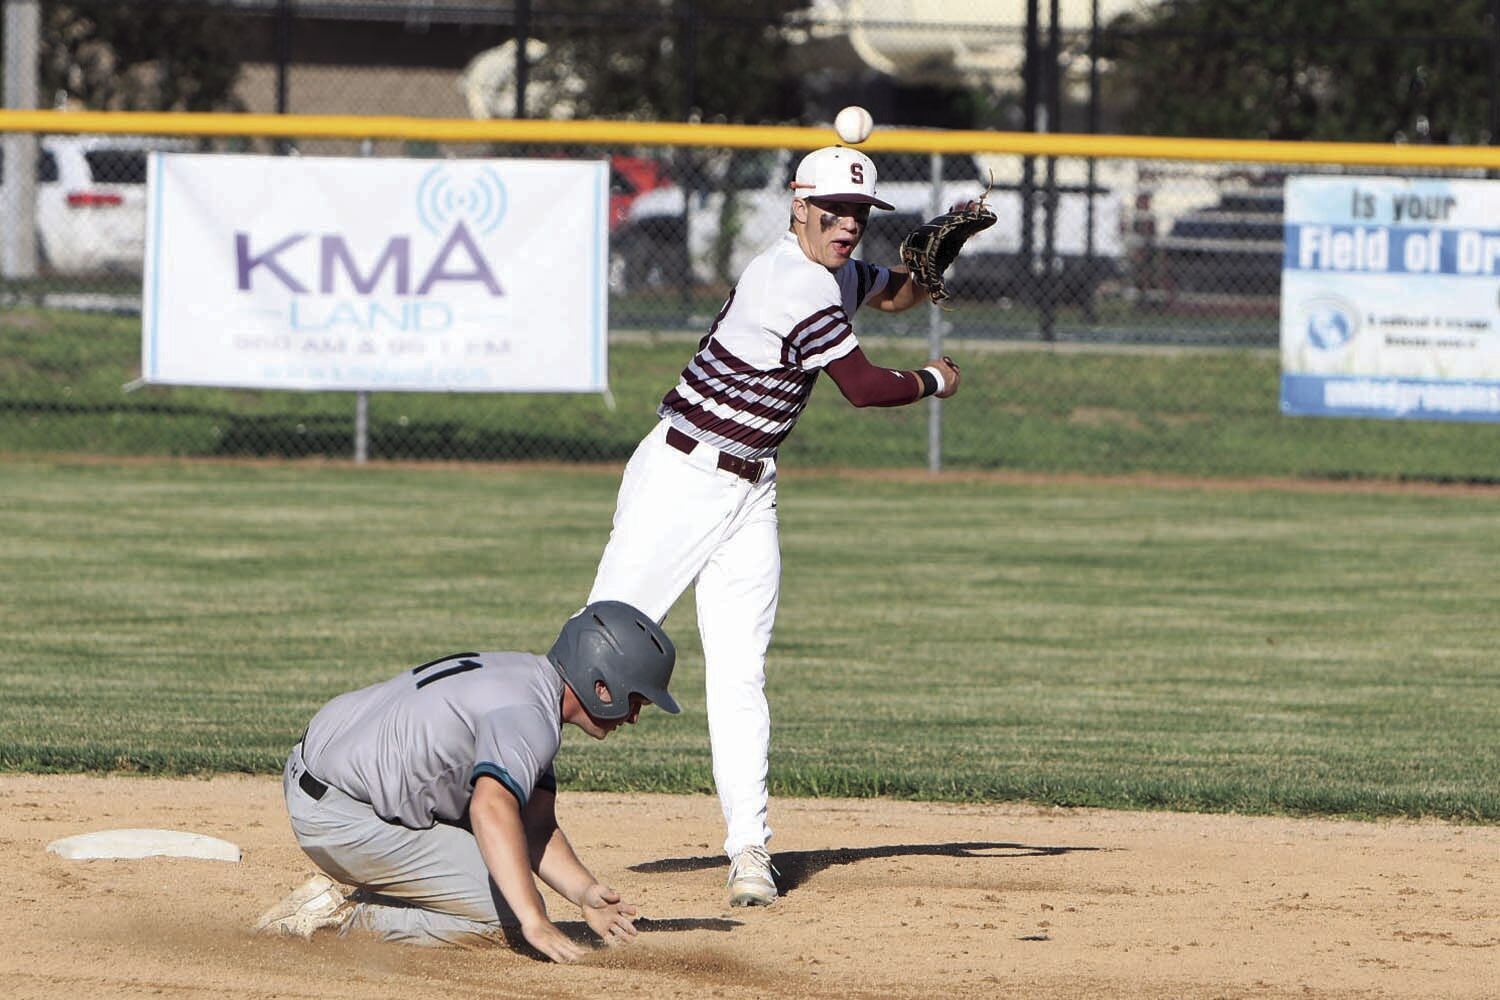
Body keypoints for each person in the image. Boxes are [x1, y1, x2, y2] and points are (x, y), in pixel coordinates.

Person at [587, 145, 961, 908]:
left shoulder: (835, 271)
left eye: (859, 214)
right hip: (682, 477)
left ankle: (748, 849)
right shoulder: (789, 281)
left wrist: (924, 276)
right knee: (593, 654)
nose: (848, 226)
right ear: (797, 207)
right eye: (833, 211)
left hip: (751, 490)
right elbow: (861, 387)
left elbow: (889, 294)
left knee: (740, 671)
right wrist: (934, 380)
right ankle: (470, 803)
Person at [253, 600, 680, 963]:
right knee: (502, 917)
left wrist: (584, 892)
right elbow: (491, 810)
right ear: (601, 686)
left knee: (503, 838)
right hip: (341, 816)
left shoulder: (528, 680)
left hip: (320, 767)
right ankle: (332, 919)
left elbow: (532, 823)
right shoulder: (528, 718)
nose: (635, 716)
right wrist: (533, 919)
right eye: (636, 699)